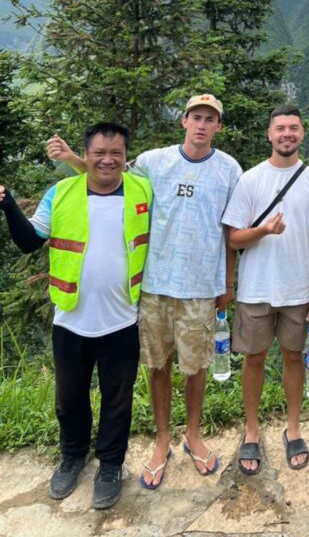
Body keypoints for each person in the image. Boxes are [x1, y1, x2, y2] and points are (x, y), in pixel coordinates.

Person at [47, 93, 241, 489]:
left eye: (210, 119)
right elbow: (106, 172)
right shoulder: (154, 162)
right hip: (154, 285)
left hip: (201, 286)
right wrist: (71, 158)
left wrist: (228, 280)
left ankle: (194, 435)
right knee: (158, 365)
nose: (202, 125)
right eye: (196, 117)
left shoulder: (229, 169)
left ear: (218, 126)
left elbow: (230, 229)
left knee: (196, 367)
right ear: (184, 121)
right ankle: (162, 439)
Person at [0, 123, 151, 510]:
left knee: (118, 399)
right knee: (69, 397)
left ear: (125, 157)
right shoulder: (61, 193)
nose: (107, 160)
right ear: (87, 154)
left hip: (122, 319)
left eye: (115, 153)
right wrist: (7, 203)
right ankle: (72, 455)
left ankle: (111, 464)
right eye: (99, 152)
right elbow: (29, 241)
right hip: (70, 318)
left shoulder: (141, 190)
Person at [223, 105, 309, 474]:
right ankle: (251, 431)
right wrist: (264, 231)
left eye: (294, 128)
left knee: (294, 358)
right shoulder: (251, 180)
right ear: (269, 134)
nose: (287, 134)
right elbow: (234, 238)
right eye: (280, 128)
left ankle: (293, 427)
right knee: (253, 360)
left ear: (302, 134)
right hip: (255, 290)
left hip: (299, 291)